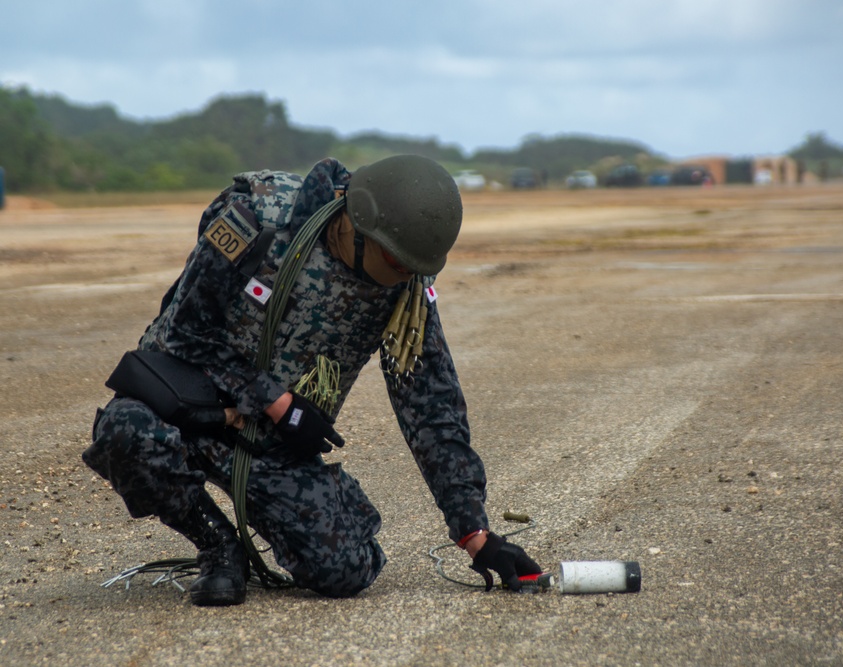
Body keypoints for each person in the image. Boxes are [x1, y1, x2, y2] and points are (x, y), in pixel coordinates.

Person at [83, 154, 541, 606]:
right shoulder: (257, 217)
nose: (404, 275)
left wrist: (474, 532)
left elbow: (430, 403)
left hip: (271, 444)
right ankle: (219, 548)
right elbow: (186, 332)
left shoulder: (406, 285)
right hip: (186, 410)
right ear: (360, 226)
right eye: (397, 262)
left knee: (345, 572)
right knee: (126, 434)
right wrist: (276, 401)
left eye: (413, 268)